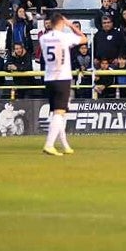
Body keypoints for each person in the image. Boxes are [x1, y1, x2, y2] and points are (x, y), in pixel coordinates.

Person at [40, 13, 88, 157]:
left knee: (58, 112)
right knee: (59, 113)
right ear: (61, 22)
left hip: (49, 78)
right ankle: (49, 144)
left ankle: (65, 145)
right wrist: (70, 25)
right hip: (62, 78)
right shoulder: (64, 37)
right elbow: (84, 38)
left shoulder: (43, 38)